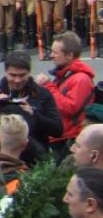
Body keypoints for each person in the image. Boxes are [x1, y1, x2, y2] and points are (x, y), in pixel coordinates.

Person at [0, 49, 65, 152]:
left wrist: (33, 114)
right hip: (3, 159)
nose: (17, 80)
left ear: (29, 73)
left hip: (35, 160)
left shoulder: (42, 95)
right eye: (13, 75)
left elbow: (58, 130)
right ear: (6, 72)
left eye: (22, 75)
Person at [36, 31, 96, 160]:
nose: (51, 55)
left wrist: (47, 86)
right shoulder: (65, 74)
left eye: (55, 52)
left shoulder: (81, 79)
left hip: (69, 138)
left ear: (69, 55)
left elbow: (69, 107)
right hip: (61, 135)